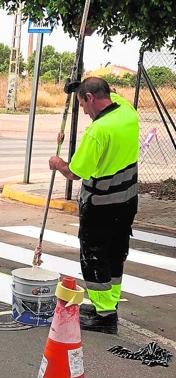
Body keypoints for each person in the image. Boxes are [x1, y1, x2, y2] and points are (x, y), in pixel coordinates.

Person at [48, 77, 139, 334]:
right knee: (116, 254)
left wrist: (56, 162)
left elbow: (74, 172)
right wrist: (76, 85)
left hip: (101, 205)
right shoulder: (126, 112)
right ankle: (107, 306)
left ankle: (105, 317)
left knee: (94, 257)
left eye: (83, 105)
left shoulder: (98, 132)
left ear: (90, 98)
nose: (85, 113)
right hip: (127, 203)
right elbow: (112, 92)